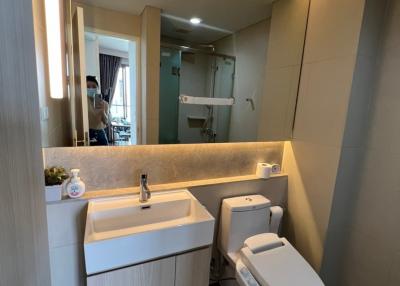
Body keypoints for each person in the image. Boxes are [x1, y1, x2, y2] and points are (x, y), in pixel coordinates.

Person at [86, 76, 109, 146]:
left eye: (94, 86)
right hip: (86, 134)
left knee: (104, 155)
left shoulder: (104, 104)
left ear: (98, 88)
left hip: (100, 133)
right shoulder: (82, 102)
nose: (91, 89)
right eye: (88, 86)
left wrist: (102, 111)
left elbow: (106, 122)